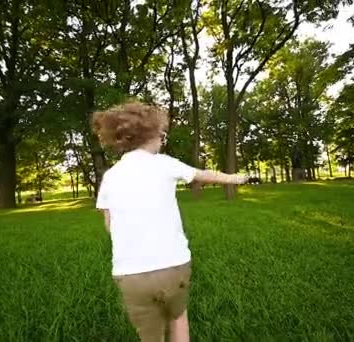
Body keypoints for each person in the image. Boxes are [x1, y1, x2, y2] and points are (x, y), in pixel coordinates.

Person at [92, 102, 247, 342]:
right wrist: (235, 178)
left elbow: (109, 225)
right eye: (163, 135)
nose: (163, 140)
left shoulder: (110, 176)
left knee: (149, 335)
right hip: (173, 265)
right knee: (178, 317)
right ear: (153, 135)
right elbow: (203, 175)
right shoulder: (164, 163)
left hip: (130, 274)